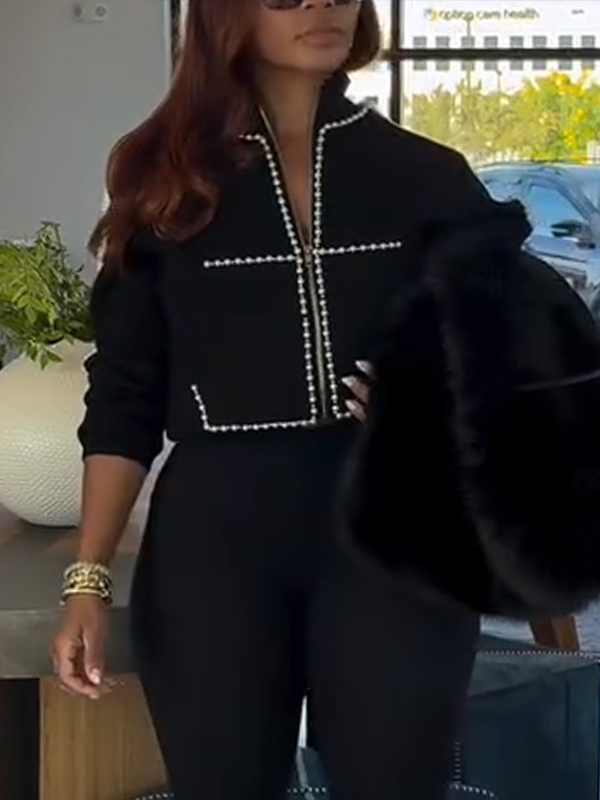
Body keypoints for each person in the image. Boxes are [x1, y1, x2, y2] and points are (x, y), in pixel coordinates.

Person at [52, 1, 498, 798]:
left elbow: (515, 352)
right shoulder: (163, 179)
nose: (322, 6)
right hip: (216, 542)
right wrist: (88, 580)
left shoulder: (429, 178)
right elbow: (124, 392)